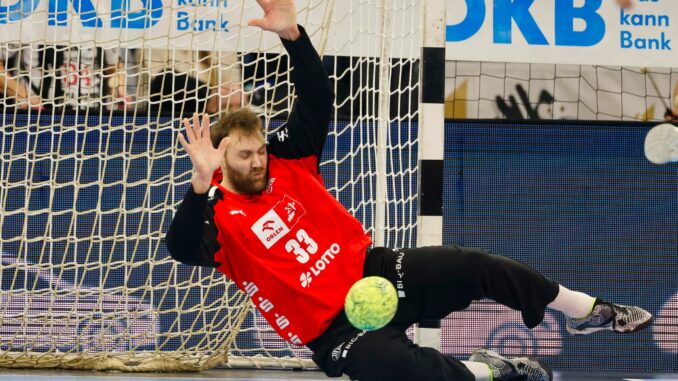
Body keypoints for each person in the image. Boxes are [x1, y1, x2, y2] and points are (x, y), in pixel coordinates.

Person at [166, 1, 654, 380]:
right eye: (243, 156)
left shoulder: (287, 160)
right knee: (405, 374)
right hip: (330, 329)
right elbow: (183, 249)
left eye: (258, 152)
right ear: (221, 160)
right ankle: (493, 369)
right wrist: (198, 186)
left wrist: (294, 37)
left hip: (373, 272)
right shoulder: (214, 211)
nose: (257, 161)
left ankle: (584, 310)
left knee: (470, 265)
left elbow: (315, 98)